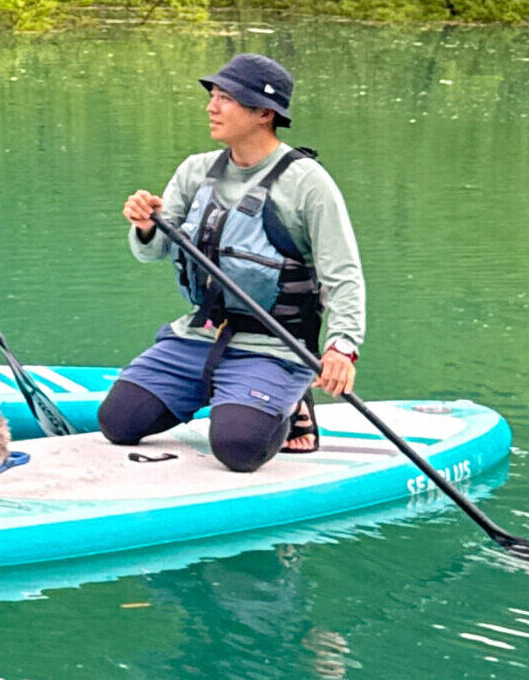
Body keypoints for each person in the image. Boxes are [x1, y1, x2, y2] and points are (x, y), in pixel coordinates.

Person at [107, 53, 365, 472]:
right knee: (118, 422)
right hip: (200, 334)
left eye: (225, 98)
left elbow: (344, 275)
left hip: (275, 344)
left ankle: (291, 403)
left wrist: (342, 347)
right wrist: (144, 225)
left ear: (264, 113)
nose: (211, 106)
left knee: (238, 448)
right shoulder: (195, 171)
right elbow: (152, 251)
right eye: (213, 95)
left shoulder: (308, 184)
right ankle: (224, 393)